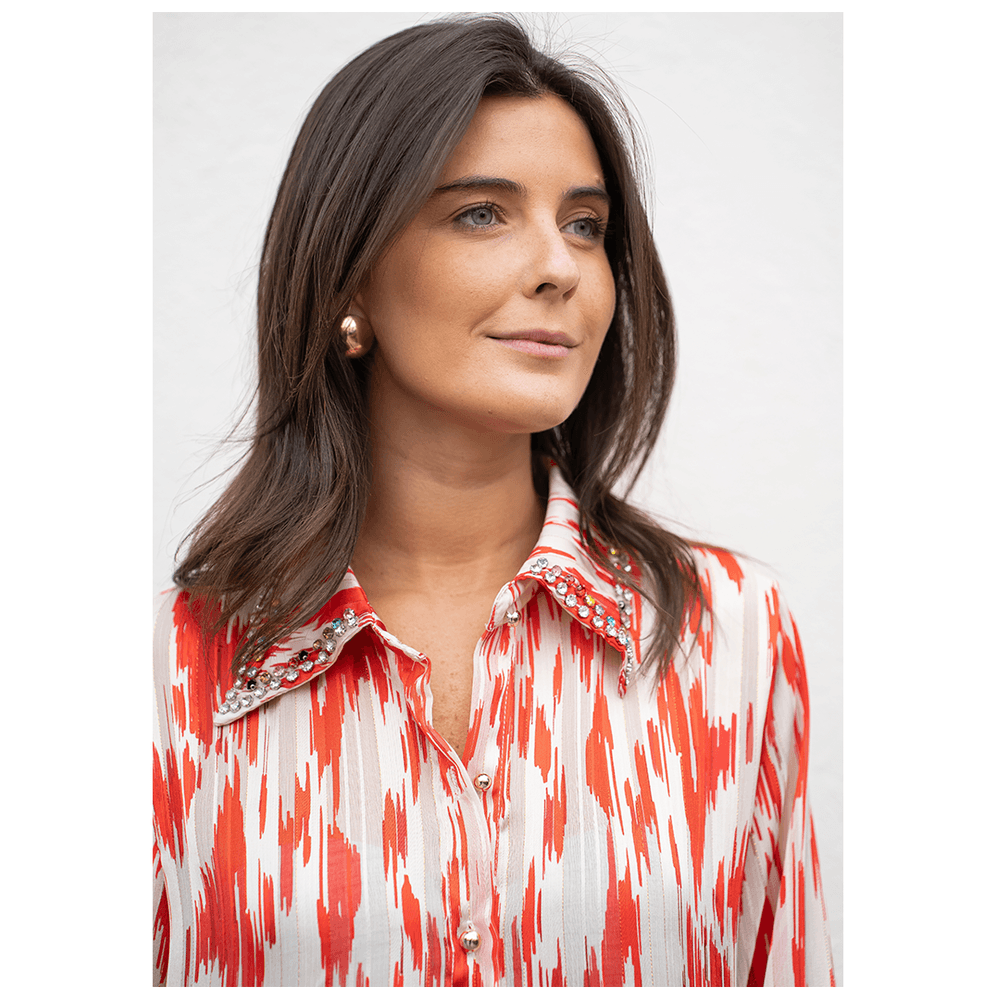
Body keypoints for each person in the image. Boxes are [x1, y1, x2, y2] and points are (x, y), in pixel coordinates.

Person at [153, 15, 835, 987]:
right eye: (482, 213)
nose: (560, 266)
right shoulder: (175, 671)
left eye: (586, 225)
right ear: (350, 276)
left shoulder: (732, 633)